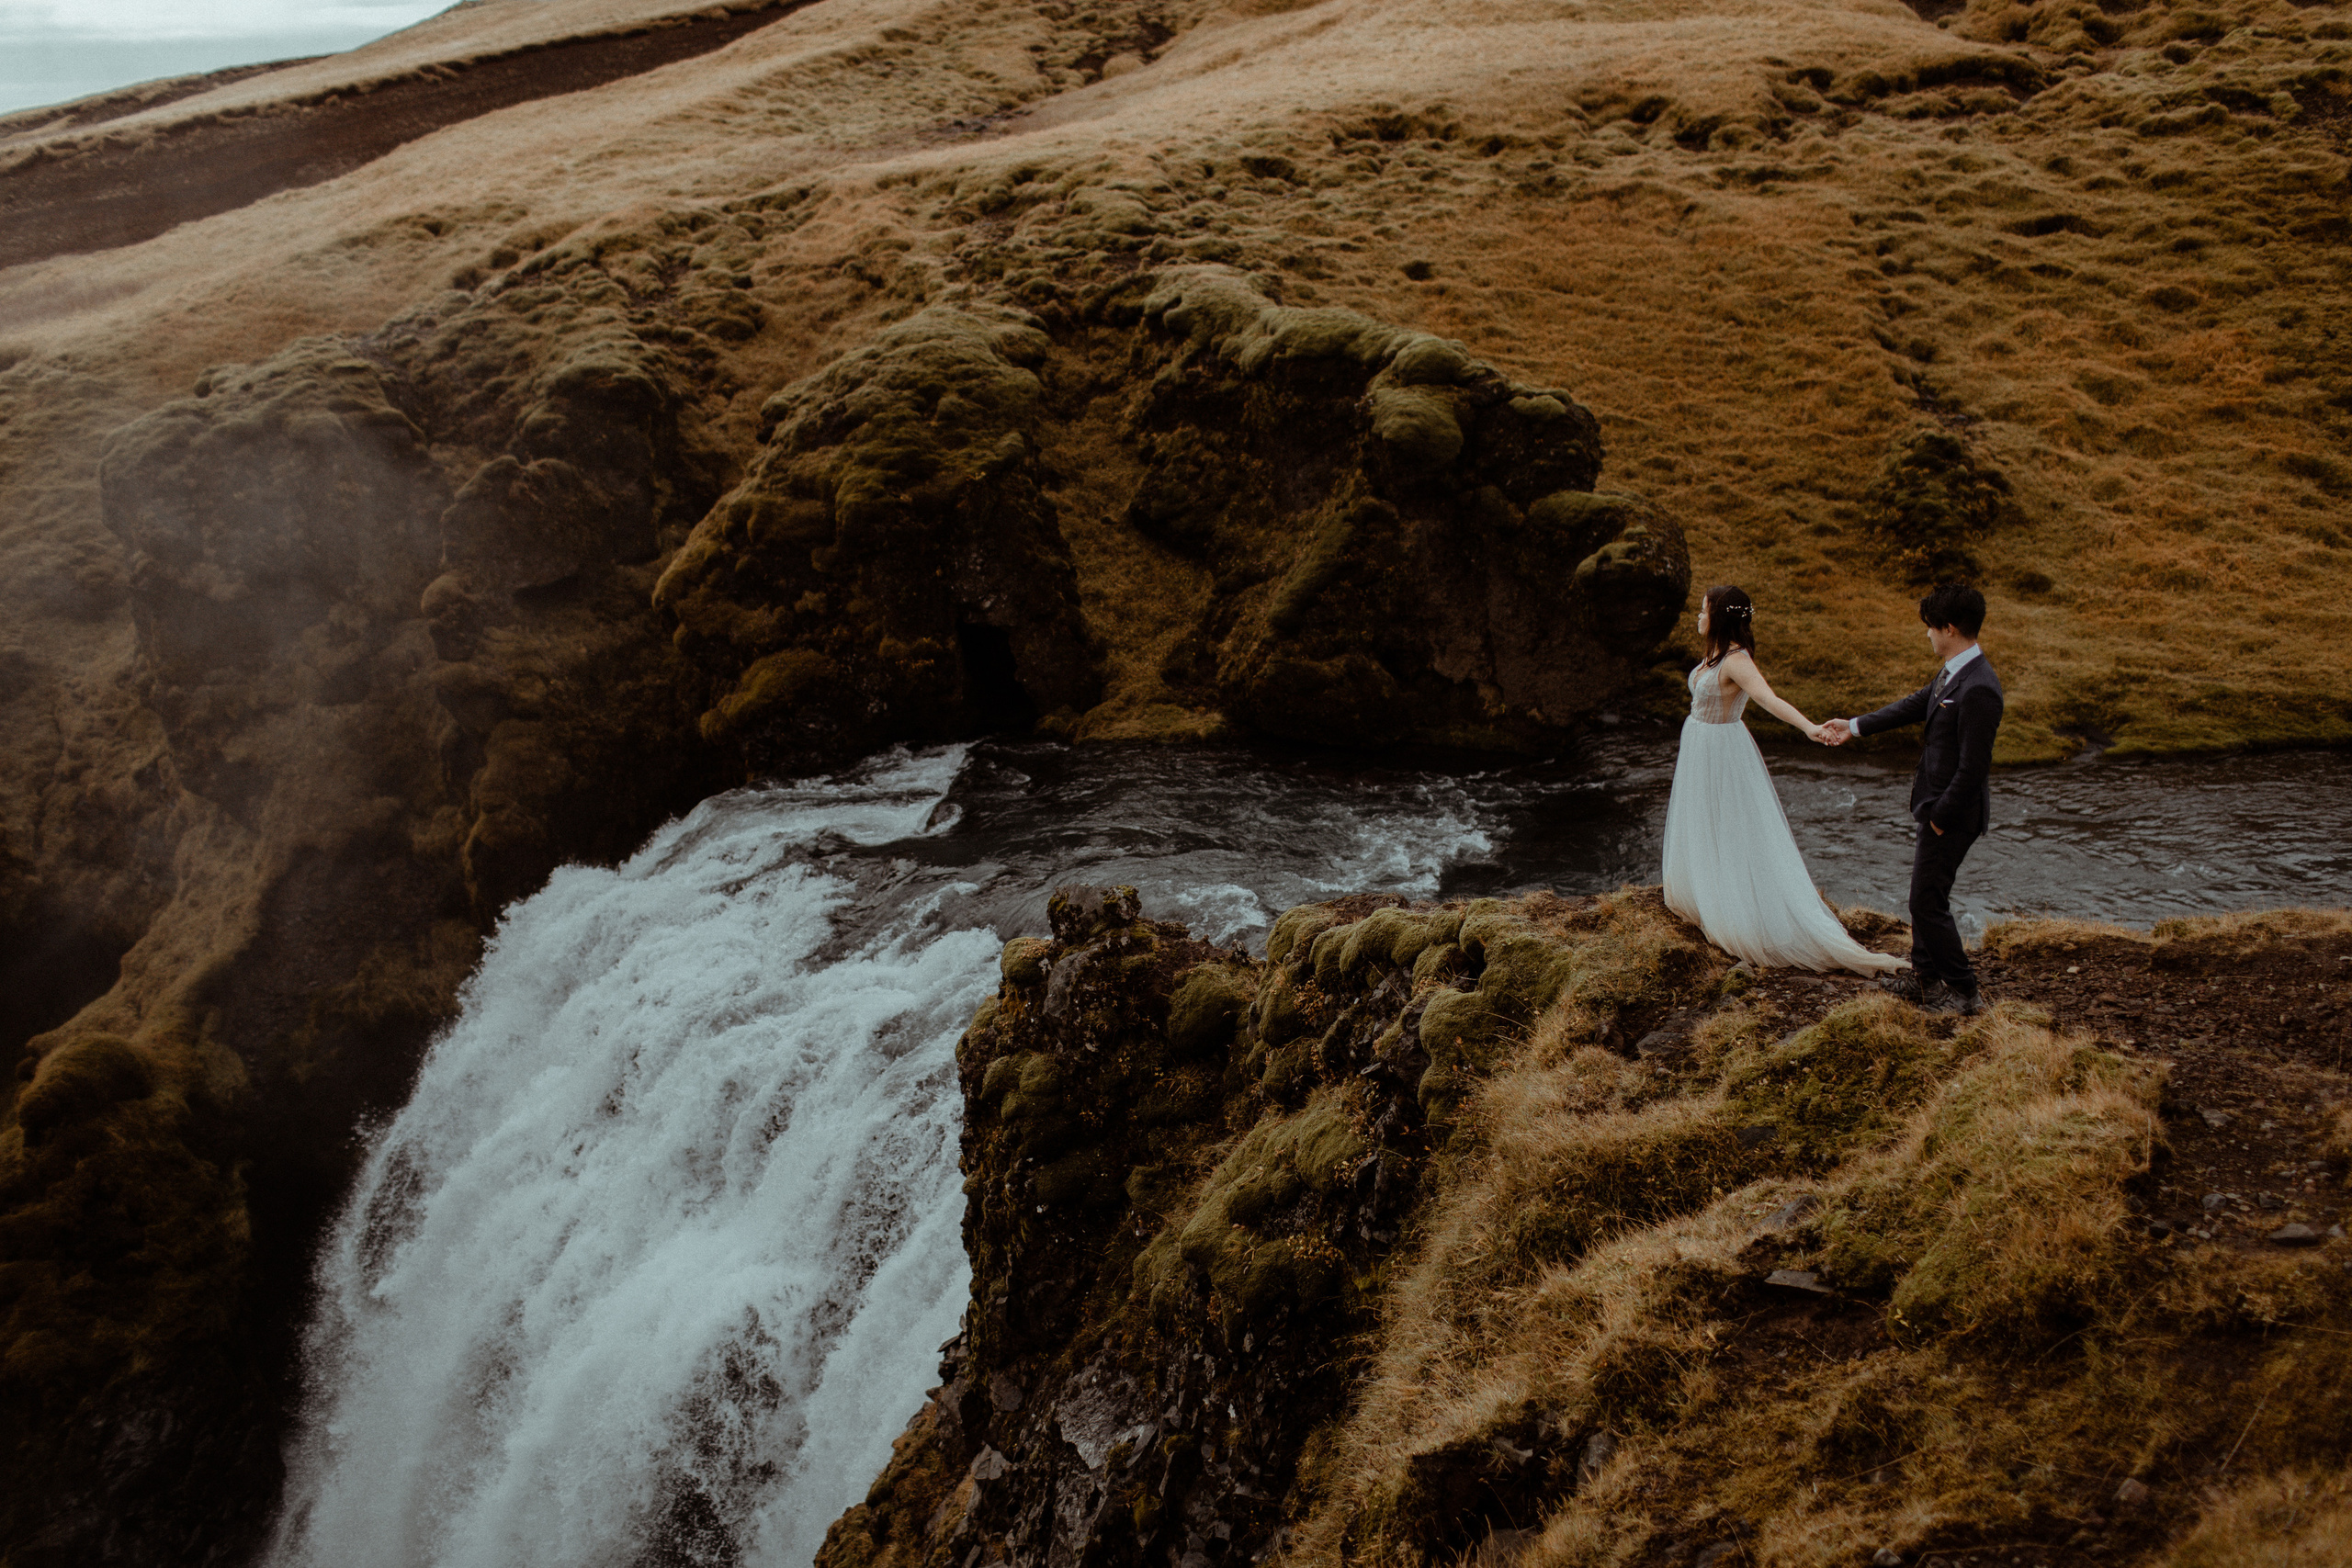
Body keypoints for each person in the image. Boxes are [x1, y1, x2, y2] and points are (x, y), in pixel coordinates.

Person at [1661, 585, 1905, 976]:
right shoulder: (1714, 653)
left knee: (1731, 825)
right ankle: (1705, 891)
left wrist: (1808, 727)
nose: (1698, 616)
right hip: (1700, 747)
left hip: (1723, 751)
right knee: (1703, 820)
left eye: (1703, 610)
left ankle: (1739, 908)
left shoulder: (1736, 660)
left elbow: (1768, 699)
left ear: (1720, 617)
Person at [1820, 582, 2003, 1016]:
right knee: (1924, 892)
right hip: (1937, 808)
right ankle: (1924, 976)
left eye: (1931, 628)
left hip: (1952, 813)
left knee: (1926, 900)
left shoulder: (1980, 688)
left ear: (1951, 628)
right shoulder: (1954, 669)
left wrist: (1940, 815)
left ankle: (1963, 991)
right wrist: (1856, 725)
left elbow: (1973, 768)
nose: (1927, 635)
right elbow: (1918, 702)